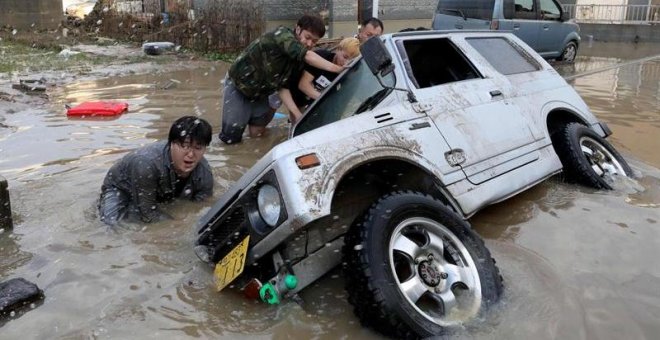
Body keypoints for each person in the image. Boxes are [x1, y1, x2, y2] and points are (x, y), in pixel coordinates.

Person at [220, 14, 344, 144]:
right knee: (231, 139)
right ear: (297, 29)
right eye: (307, 37)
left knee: (257, 134)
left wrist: (297, 115)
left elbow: (282, 87)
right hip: (239, 86)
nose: (309, 43)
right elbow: (306, 55)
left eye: (314, 41)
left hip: (262, 92)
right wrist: (338, 69)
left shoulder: (297, 61)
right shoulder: (282, 35)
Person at [98, 116, 214, 226]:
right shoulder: (146, 163)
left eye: (198, 148)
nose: (191, 154)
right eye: (185, 146)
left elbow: (203, 206)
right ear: (171, 144)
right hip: (122, 188)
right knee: (110, 224)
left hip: (162, 190)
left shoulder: (204, 172)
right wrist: (178, 226)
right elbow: (148, 214)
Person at [282, 37, 360, 114]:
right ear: (338, 49)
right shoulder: (322, 57)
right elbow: (303, 85)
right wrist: (326, 99)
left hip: (317, 102)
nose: (346, 62)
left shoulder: (349, 71)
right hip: (297, 95)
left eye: (351, 60)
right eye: (345, 57)